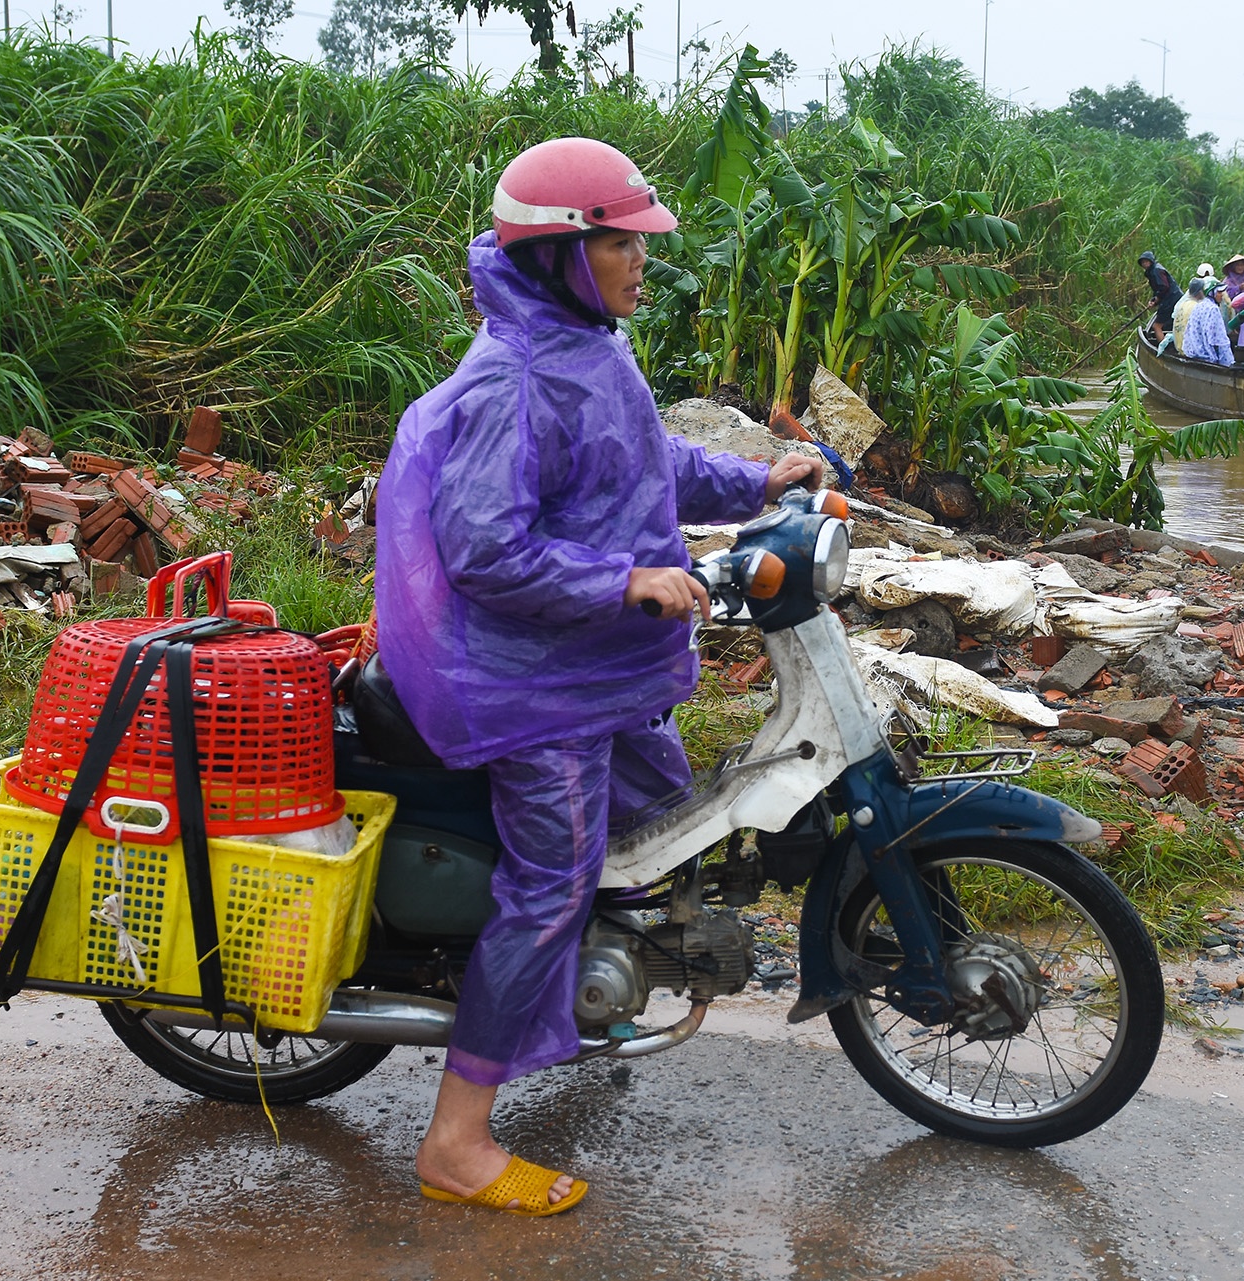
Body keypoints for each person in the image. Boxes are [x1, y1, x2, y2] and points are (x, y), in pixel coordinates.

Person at [375, 137, 824, 1217]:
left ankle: (581, 1000)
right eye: (624, 241)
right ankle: (456, 1139)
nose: (641, 261)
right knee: (552, 882)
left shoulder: (585, 343)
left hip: (590, 669)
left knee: (661, 829)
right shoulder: (517, 376)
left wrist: (756, 477)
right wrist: (629, 582)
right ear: (567, 250)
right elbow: (484, 550)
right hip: (531, 684)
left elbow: (643, 463)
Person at [1182, 278, 1235, 366]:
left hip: (1192, 356)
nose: (1221, 295)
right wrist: (1229, 363)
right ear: (1211, 293)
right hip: (1207, 359)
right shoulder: (1213, 309)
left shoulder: (1198, 306)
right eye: (1219, 292)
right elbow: (1219, 339)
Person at [1140, 251, 1181, 341]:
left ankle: (1162, 348)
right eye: (1143, 262)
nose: (1144, 264)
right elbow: (1158, 289)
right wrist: (1154, 299)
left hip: (1171, 300)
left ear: (1151, 261)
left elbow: (1164, 287)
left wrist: (1157, 299)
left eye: (1146, 261)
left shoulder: (1156, 270)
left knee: (1156, 326)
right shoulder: (1152, 271)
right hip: (1172, 299)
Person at [1170, 276, 1206, 353]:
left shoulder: (1182, 304)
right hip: (1190, 351)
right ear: (1199, 292)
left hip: (1179, 347)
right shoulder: (1196, 307)